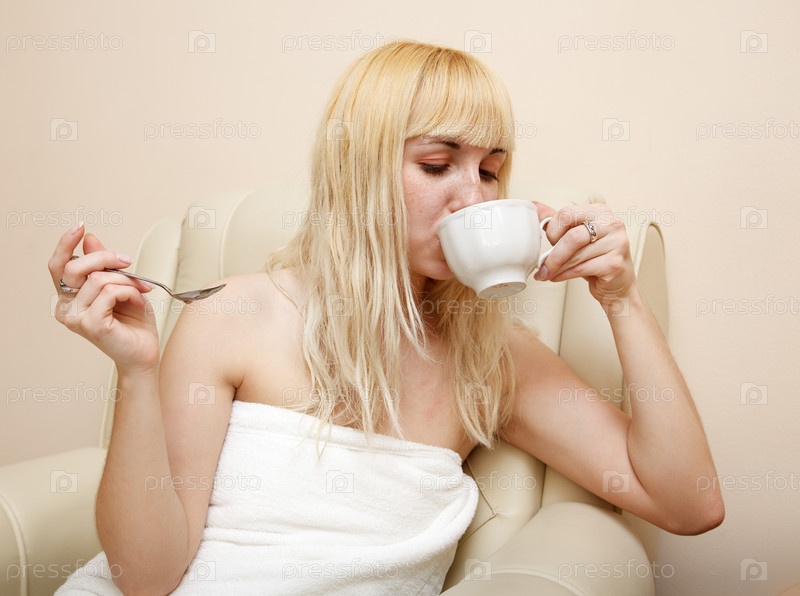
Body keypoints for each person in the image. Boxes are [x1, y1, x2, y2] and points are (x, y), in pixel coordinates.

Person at [50, 41, 723, 594]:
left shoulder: (491, 358)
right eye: (437, 164)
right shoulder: (231, 314)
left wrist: (622, 299)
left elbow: (690, 503)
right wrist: (137, 372)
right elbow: (147, 578)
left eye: (490, 172)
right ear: (357, 169)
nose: (473, 197)